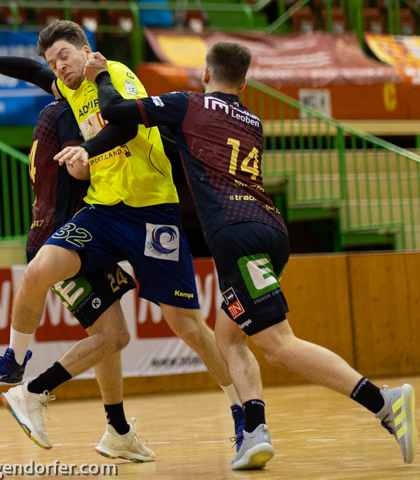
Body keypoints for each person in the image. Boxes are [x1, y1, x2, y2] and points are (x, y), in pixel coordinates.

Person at [57, 41, 417, 470]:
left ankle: (384, 402)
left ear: (205, 74)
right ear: (244, 84)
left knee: (278, 345)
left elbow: (116, 111)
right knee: (228, 338)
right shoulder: (252, 120)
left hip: (235, 234)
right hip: (271, 229)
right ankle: (255, 433)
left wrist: (100, 75)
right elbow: (197, 145)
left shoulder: (188, 104)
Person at [0, 19, 244, 455]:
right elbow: (31, 71)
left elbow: (127, 125)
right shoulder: (68, 87)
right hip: (104, 212)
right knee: (39, 269)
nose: (58, 67)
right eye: (53, 61)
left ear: (85, 50)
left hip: (153, 212)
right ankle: (14, 362)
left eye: (64, 56)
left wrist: (86, 149)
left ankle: (240, 413)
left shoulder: (113, 73)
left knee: (187, 326)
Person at [0, 95, 156, 461]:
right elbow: (78, 169)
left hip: (71, 234)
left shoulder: (49, 112)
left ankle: (118, 431)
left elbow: (35, 72)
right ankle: (31, 391)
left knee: (109, 335)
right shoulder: (73, 114)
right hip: (67, 238)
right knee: (114, 336)